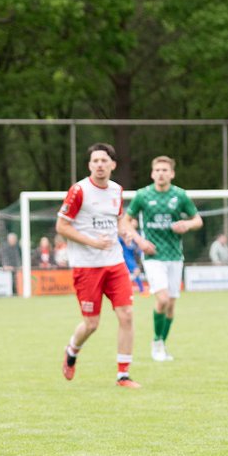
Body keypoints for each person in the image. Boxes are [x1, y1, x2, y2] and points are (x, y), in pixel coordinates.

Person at [57, 143, 144, 390]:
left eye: (104, 161)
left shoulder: (117, 190)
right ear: (89, 165)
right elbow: (61, 227)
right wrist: (93, 242)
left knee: (127, 315)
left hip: (114, 263)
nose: (99, 165)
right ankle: (72, 350)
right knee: (92, 324)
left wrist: (128, 234)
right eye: (95, 161)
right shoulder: (79, 191)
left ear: (113, 165)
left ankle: (123, 375)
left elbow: (119, 221)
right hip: (87, 266)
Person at [124, 155, 202, 362]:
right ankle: (156, 343)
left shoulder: (180, 196)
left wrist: (187, 225)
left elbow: (197, 220)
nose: (161, 173)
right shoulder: (142, 195)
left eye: (165, 170)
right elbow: (126, 221)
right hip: (153, 256)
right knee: (163, 299)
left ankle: (161, 343)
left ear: (172, 174)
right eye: (157, 170)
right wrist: (140, 241)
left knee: (171, 306)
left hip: (175, 255)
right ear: (152, 173)